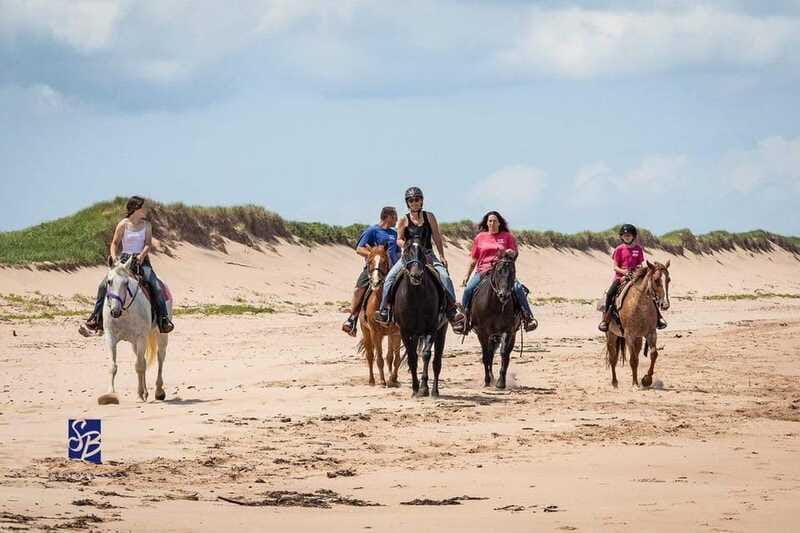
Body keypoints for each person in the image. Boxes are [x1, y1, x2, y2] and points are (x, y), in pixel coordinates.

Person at [80, 196, 174, 336]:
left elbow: (147, 244)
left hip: (142, 261)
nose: (145, 209)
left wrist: (141, 256)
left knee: (156, 286)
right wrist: (114, 258)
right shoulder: (123, 224)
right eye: (143, 207)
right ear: (135, 208)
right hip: (123, 261)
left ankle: (163, 320)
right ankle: (96, 319)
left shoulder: (147, 225)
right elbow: (114, 243)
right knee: (103, 286)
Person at [375, 187, 459, 326]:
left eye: (417, 199)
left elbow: (436, 237)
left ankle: (452, 310)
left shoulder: (429, 217)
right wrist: (406, 246)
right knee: (390, 278)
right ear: (407, 203)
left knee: (444, 276)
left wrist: (442, 256)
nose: (414, 202)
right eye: (411, 200)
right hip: (409, 257)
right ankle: (385, 310)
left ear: (421, 201)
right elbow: (399, 239)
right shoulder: (403, 219)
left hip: (427, 255)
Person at [456, 211, 538, 333]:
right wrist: (467, 276)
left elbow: (514, 254)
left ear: (499, 223)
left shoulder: (508, 237)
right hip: (483, 270)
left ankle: (528, 317)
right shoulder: (480, 238)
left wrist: (511, 253)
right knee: (468, 289)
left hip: (503, 272)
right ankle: (464, 320)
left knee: (518, 288)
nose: (492, 223)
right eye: (490, 221)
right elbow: (474, 259)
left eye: (495, 221)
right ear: (487, 223)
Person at [341, 206, 400, 336]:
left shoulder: (394, 233)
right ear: (388, 217)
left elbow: (397, 251)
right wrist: (375, 256)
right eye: (395, 217)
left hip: (393, 268)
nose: (397, 220)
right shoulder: (372, 231)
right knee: (358, 290)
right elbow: (359, 249)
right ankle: (352, 318)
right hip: (376, 268)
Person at [598, 223, 667, 332]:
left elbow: (640, 265)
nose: (627, 237)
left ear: (633, 236)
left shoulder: (638, 249)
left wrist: (638, 273)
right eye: (624, 235)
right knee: (610, 294)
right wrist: (624, 272)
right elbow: (615, 267)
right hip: (620, 278)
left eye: (629, 235)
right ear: (621, 236)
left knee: (649, 292)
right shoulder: (619, 249)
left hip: (636, 276)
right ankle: (605, 320)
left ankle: (658, 318)